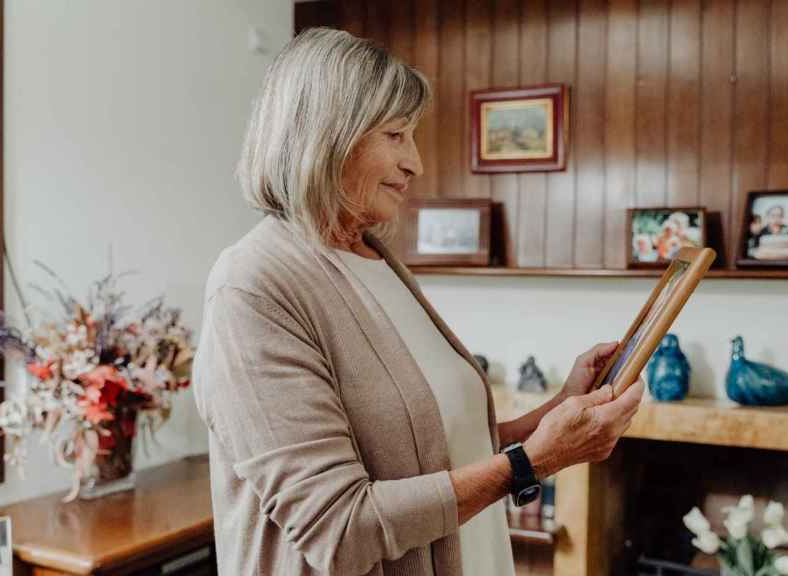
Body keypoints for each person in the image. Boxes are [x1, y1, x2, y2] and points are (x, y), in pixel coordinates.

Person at [193, 27, 644, 576]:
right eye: (396, 135)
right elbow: (340, 527)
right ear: (326, 137)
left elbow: (434, 450)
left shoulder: (376, 260)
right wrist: (535, 462)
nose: (416, 163)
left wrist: (556, 413)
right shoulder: (254, 286)